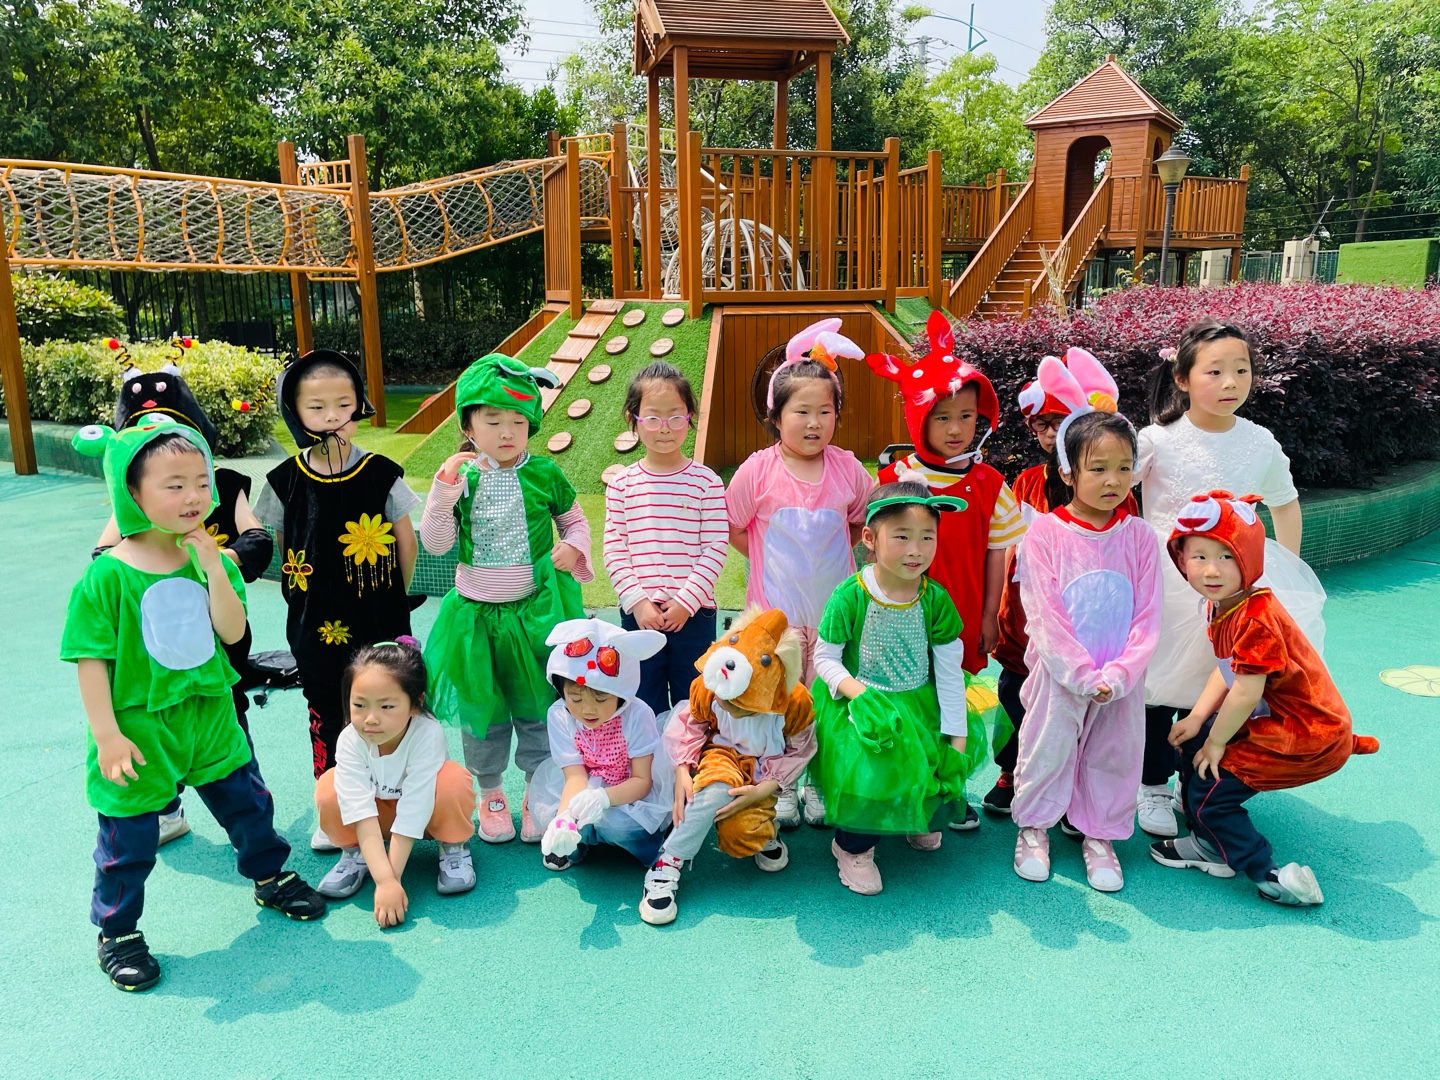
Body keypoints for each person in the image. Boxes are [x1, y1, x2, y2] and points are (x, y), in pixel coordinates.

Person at [64, 417, 326, 992]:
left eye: (202, 482)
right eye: (174, 485)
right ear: (132, 494)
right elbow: (91, 661)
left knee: (248, 804)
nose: (193, 497)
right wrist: (107, 735)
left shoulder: (213, 559)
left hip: (209, 712)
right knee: (128, 838)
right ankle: (117, 932)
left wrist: (213, 567)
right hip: (140, 725)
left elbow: (233, 633)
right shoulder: (106, 577)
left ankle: (269, 877)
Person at [1133, 319, 1326, 838]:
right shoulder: (1157, 440)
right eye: (1214, 371)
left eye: (1241, 370)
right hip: (1166, 586)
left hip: (1233, 592)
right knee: (1157, 687)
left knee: (1219, 683)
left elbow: (1285, 502)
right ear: (1181, 378)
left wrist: (1283, 574)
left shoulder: (1259, 442)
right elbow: (1110, 484)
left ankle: (1193, 783)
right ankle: (1152, 784)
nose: (1230, 382)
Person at [1151, 491, 1378, 904]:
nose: (1212, 569)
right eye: (1200, 556)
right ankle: (1206, 833)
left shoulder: (1256, 618)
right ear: (1181, 560)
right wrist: (1197, 718)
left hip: (1306, 735)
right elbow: (1228, 669)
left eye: (1227, 556)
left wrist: (1216, 741)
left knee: (1211, 796)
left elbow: (1245, 691)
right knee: (1196, 749)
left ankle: (1268, 874)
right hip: (1283, 721)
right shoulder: (1225, 604)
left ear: (1250, 560)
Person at [94, 347, 274, 846]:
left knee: (226, 721)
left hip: (212, 626)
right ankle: (167, 807)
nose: (190, 493)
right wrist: (153, 561)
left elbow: (257, 540)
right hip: (156, 641)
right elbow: (103, 552)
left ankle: (253, 824)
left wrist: (215, 563)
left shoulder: (222, 485)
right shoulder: (136, 502)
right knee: (157, 722)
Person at [419, 353, 592, 846]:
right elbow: (435, 543)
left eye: (518, 421)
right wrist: (443, 491)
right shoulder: (462, 480)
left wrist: (573, 546)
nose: (507, 432)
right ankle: (491, 792)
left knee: (538, 705)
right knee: (483, 709)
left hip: (536, 614)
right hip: (475, 621)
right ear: (468, 426)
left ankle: (538, 789)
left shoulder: (546, 474)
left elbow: (576, 521)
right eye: (493, 420)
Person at [253, 349, 419, 853]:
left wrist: (393, 599)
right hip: (313, 626)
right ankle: (335, 813)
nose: (332, 418)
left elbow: (405, 542)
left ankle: (398, 804)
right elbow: (281, 542)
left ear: (360, 404)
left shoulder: (381, 473)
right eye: (317, 407)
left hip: (378, 620)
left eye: (343, 405)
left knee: (388, 706)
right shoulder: (284, 480)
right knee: (327, 709)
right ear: (295, 413)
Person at [1010, 355, 1162, 892]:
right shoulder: (1046, 533)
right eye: (1097, 468)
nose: (1112, 480)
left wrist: (1119, 674)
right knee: (1046, 746)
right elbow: (1043, 613)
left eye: (1123, 468)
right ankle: (1034, 828)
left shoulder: (1139, 536)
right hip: (1060, 676)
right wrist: (1077, 672)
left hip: (1120, 679)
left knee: (1113, 753)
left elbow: (1148, 614)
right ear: (1067, 471)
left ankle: (1100, 836)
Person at [870, 309, 1024, 830]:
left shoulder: (989, 485)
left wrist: (989, 617)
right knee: (904, 704)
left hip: (958, 622)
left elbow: (997, 554)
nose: (957, 429)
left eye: (967, 416)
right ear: (919, 419)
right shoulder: (896, 478)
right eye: (941, 417)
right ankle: (902, 789)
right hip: (899, 623)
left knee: (951, 708)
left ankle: (947, 789)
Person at [726, 320, 874, 830]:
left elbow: (860, 524)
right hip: (776, 622)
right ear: (775, 415)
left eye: (825, 412)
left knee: (828, 704)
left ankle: (820, 783)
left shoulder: (849, 469)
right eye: (801, 412)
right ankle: (782, 784)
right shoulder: (757, 470)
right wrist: (762, 557)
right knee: (777, 705)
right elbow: (734, 527)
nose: (814, 423)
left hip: (833, 620)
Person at [807, 482, 986, 895]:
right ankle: (852, 847)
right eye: (902, 537)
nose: (916, 550)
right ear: (870, 538)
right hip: (861, 704)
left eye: (927, 537)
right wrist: (858, 693)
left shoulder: (935, 600)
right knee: (868, 777)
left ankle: (915, 817)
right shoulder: (849, 596)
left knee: (931, 762)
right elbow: (826, 658)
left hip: (919, 702)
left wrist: (956, 738)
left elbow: (949, 673)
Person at [987, 351, 1138, 814]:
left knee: (1083, 711)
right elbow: (1010, 547)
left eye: (1061, 420)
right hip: (1027, 619)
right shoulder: (1026, 481)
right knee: (1016, 696)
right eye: (1043, 424)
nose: (1053, 432)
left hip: (1091, 625)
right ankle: (1013, 769)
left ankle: (1076, 785)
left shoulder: (1116, 493)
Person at [639, 609, 816, 926]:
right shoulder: (712, 682)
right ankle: (668, 861)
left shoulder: (795, 703)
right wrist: (683, 769)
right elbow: (692, 725)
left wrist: (763, 790)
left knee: (742, 835)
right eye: (723, 699)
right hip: (721, 753)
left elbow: (799, 750)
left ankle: (764, 832)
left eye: (738, 704)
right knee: (716, 790)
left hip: (764, 769)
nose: (724, 705)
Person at [314, 639, 477, 925]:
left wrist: (392, 879)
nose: (370, 719)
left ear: (417, 703)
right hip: (377, 819)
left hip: (427, 819)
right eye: (359, 705)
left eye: (387, 706)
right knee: (329, 787)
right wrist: (384, 880)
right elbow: (360, 812)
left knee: (453, 780)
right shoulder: (350, 739)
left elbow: (415, 808)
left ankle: (453, 847)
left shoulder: (427, 733)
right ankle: (355, 853)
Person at [603, 361, 727, 715]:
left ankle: (691, 755)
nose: (665, 428)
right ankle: (650, 755)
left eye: (675, 416)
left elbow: (715, 547)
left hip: (694, 615)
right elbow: (614, 549)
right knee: (643, 704)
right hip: (640, 615)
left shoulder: (706, 482)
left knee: (696, 705)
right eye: (653, 418)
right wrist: (638, 602)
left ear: (689, 417)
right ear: (634, 420)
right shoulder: (622, 485)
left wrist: (687, 602)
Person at [530, 619, 673, 870]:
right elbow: (575, 776)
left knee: (620, 826)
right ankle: (575, 844)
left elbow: (642, 781)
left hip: (629, 789)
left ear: (623, 693)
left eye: (601, 698)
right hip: (586, 785)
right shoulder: (560, 714)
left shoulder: (638, 715)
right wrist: (565, 818)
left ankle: (651, 847)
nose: (587, 709)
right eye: (575, 698)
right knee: (565, 817)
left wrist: (603, 798)